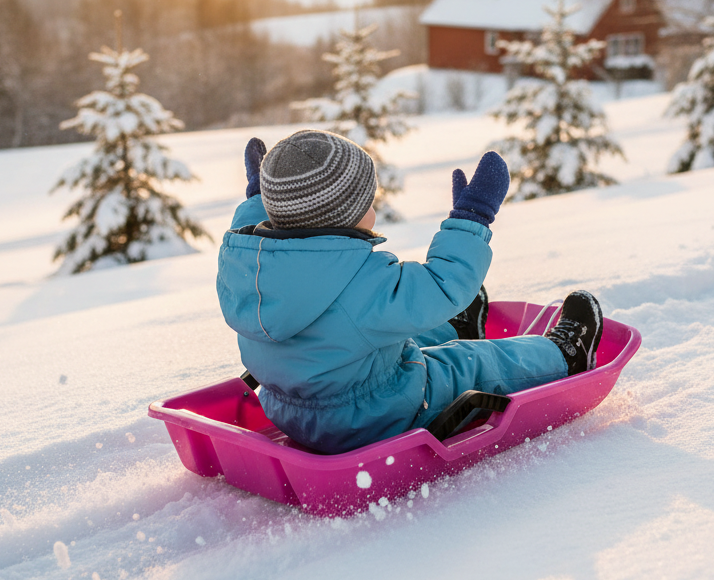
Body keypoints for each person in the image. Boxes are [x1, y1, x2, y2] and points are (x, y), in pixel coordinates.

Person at [216, 129, 603, 454]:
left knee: (375, 332)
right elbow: (443, 284)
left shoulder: (245, 267)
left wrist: (257, 201)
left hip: (290, 409)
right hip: (375, 415)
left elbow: (267, 225)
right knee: (468, 361)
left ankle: (455, 326)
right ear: (344, 215)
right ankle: (563, 355)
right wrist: (472, 218)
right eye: (368, 202)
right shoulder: (362, 280)